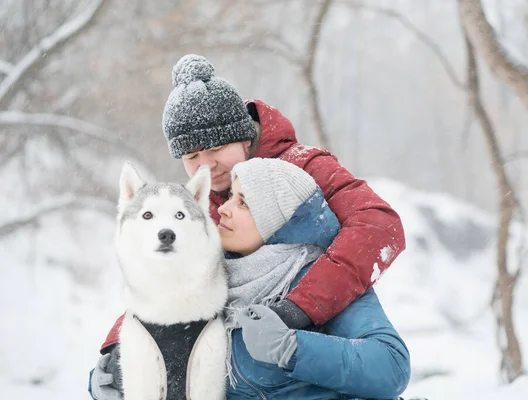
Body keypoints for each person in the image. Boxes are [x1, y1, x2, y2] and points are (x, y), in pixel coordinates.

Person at [90, 54, 406, 399]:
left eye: (216, 147)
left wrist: (297, 310)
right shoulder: (207, 198)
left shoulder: (303, 168)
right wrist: (117, 347)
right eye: (191, 156)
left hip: (321, 312)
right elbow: (173, 272)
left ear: (244, 137)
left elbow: (378, 227)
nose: (206, 164)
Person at [95, 158, 411, 400]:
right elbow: (148, 323)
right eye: (230, 197)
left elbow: (391, 367)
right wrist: (108, 371)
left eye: (243, 203)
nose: (225, 210)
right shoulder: (213, 278)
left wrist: (293, 349)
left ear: (277, 220)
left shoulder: (321, 280)